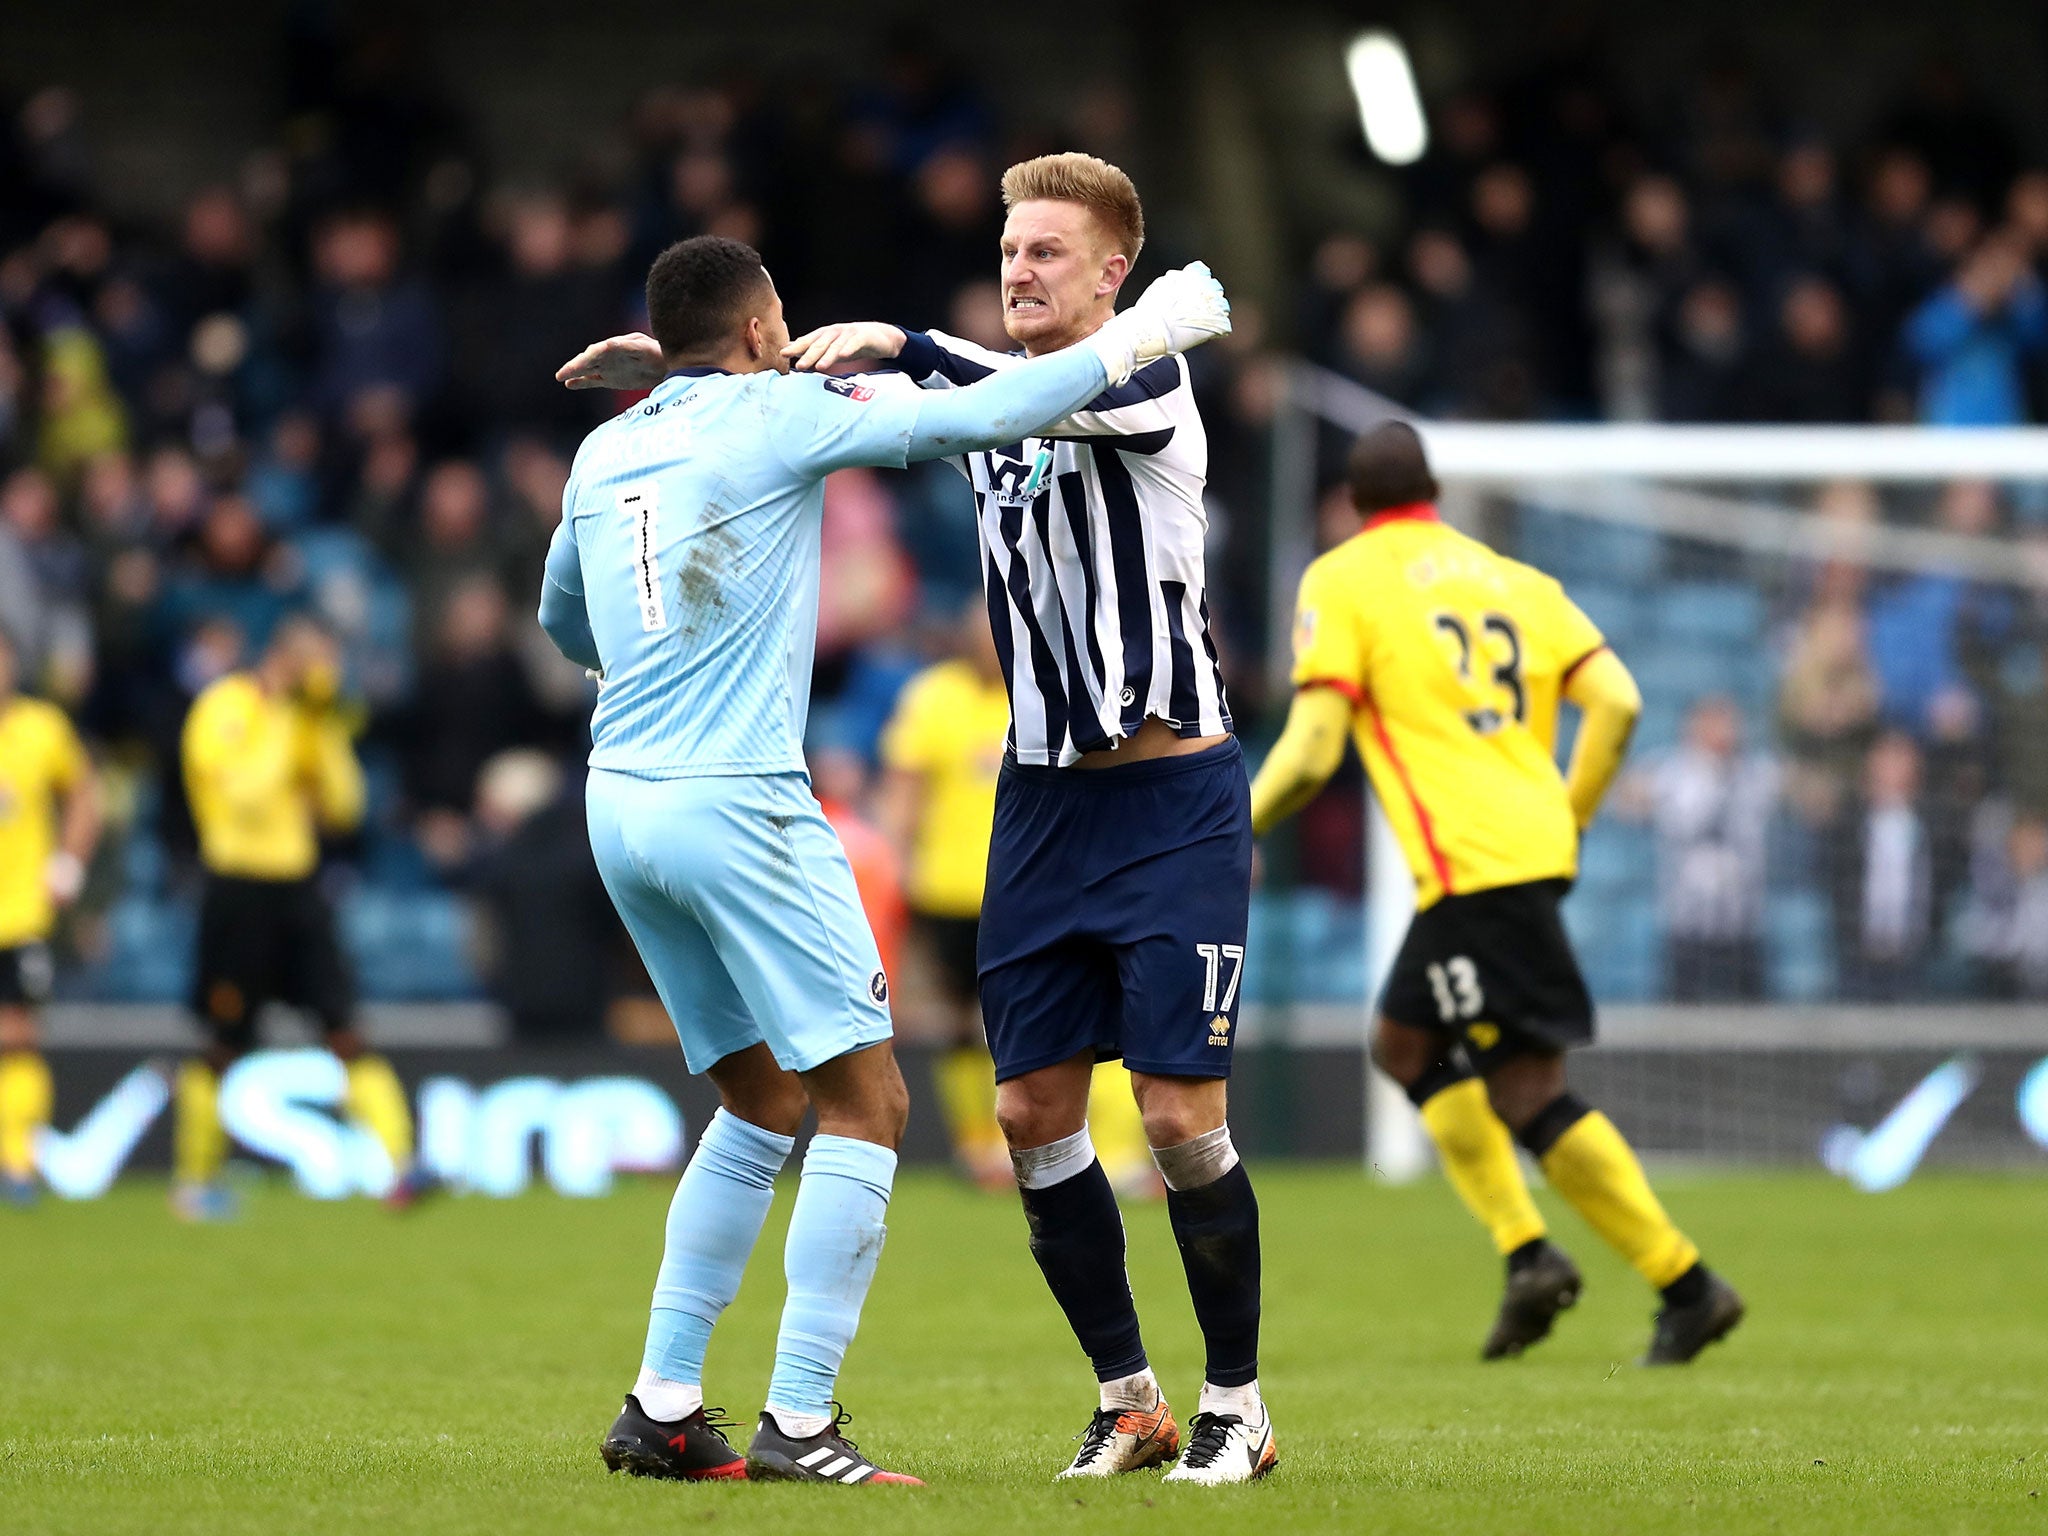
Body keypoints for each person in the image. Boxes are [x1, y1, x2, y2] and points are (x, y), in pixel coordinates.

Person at [559, 157, 1271, 1488]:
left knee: (1176, 1118)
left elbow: (1041, 393)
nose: (1021, 271)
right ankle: (1130, 1402)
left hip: (1173, 793)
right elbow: (765, 400)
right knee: (1028, 1113)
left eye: (1051, 253)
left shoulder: (1148, 376)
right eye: (1012, 250)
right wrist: (680, 366)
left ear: (1116, 272)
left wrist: (902, 340)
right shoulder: (961, 388)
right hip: (1045, 797)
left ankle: (1239, 1402)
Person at [1249, 421, 1745, 1367]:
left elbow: (1313, 747)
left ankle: (1682, 1282)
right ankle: (1532, 1256)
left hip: (1474, 868)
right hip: (1513, 858)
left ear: (1352, 507)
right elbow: (1621, 702)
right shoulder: (1517, 580)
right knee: (1405, 1042)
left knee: (1527, 1092)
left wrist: (1231, 825)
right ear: (1434, 491)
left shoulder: (1344, 580)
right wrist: (1574, 814)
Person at [875, 603, 1153, 1194]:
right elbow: (905, 790)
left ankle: (1108, 1152)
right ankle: (981, 1150)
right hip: (949, 890)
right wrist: (892, 863)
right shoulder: (933, 698)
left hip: (1037, 891)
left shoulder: (1052, 692)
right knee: (957, 1024)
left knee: (1066, 1020)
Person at [173, 615, 420, 1220]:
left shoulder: (309, 719)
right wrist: (287, 721)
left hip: (297, 887)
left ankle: (400, 1167)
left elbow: (343, 806)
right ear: (285, 657)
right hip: (237, 886)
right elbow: (243, 796)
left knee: (344, 1029)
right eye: (316, 661)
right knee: (223, 1041)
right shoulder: (222, 708)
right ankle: (195, 1181)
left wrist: (320, 730)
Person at [0, 627, 102, 1204]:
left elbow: (85, 793)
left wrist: (68, 864)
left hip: (18, 915)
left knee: (16, 1037)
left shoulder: (41, 728)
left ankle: (17, 1164)